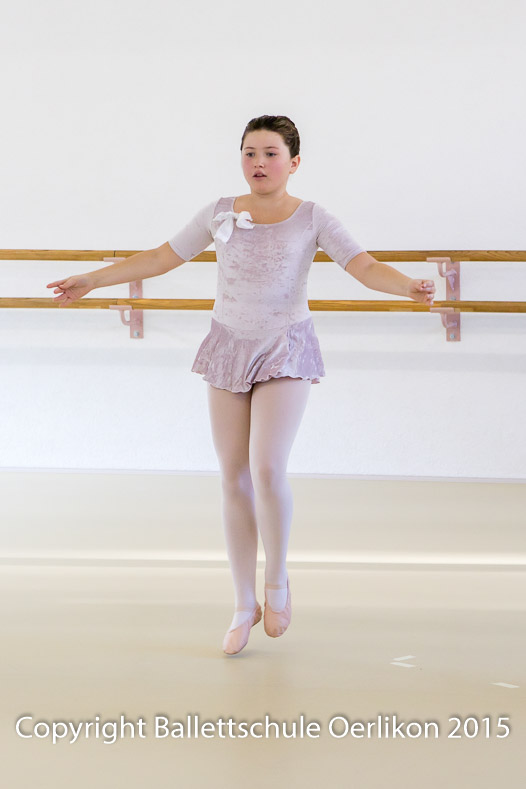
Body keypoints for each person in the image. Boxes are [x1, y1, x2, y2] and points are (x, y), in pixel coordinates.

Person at [46, 114, 435, 656]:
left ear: (293, 163)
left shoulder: (313, 217)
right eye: (250, 153)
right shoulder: (219, 212)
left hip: (284, 346)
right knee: (233, 476)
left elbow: (363, 266)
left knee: (267, 468)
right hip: (229, 345)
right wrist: (92, 278)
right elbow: (161, 257)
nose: (259, 163)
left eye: (271, 153)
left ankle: (277, 582)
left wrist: (407, 286)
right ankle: (242, 601)